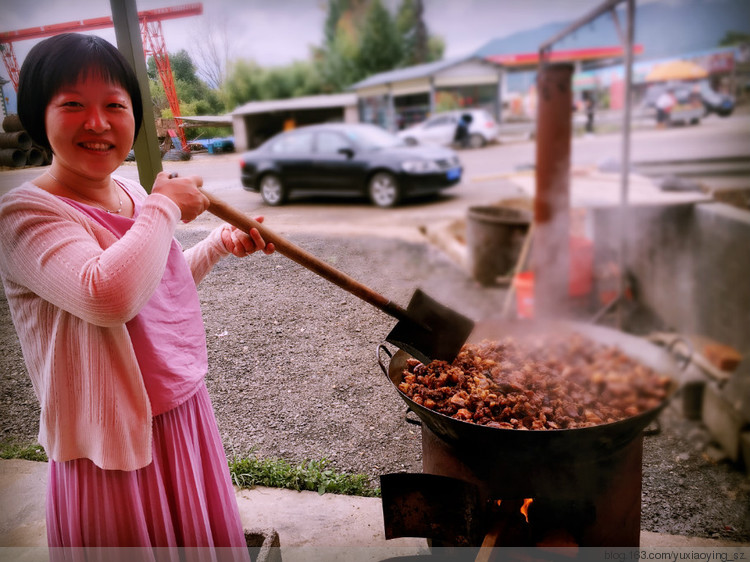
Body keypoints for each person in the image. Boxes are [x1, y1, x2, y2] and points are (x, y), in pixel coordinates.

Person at [0, 33, 275, 559]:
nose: (98, 123)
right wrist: (166, 208)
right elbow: (107, 295)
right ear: (39, 114)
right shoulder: (24, 215)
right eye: (73, 105)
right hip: (110, 440)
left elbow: (155, 290)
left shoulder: (131, 192)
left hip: (179, 412)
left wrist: (216, 243)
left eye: (115, 105)